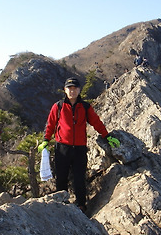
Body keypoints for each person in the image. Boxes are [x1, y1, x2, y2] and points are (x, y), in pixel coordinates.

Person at [38, 77, 120, 212]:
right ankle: (61, 205)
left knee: (79, 178)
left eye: (75, 88)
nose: (72, 91)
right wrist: (45, 140)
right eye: (69, 88)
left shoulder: (85, 107)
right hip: (62, 147)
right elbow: (50, 124)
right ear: (65, 90)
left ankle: (81, 205)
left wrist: (107, 136)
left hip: (80, 149)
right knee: (61, 177)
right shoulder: (58, 106)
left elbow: (96, 122)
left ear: (79, 90)